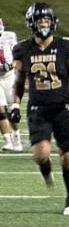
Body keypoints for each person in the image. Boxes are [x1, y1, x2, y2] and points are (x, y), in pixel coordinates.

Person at [11, 2, 69, 215]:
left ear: (53, 22)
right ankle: (46, 172)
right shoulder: (23, 49)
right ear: (31, 24)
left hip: (63, 107)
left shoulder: (65, 46)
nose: (44, 24)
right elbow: (18, 82)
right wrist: (15, 104)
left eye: (47, 20)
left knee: (66, 155)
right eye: (40, 20)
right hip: (38, 108)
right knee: (40, 154)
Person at [0, 18, 22, 152]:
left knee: (11, 112)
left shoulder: (9, 36)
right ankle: (7, 140)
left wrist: (11, 65)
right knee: (0, 110)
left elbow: (17, 56)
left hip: (9, 76)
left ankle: (16, 137)